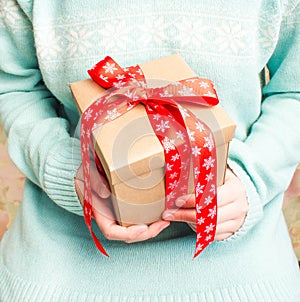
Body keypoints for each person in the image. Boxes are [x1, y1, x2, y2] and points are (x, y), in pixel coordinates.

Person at [0, 0, 299, 301]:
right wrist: (68, 168)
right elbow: (14, 86)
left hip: (242, 270)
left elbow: (294, 91)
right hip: (58, 268)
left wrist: (251, 179)